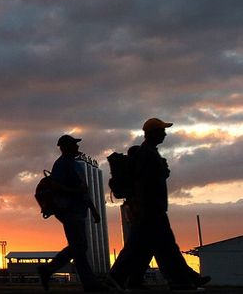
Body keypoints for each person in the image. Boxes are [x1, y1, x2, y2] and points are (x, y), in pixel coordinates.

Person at [106, 118, 210, 291]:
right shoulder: (147, 154)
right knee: (158, 246)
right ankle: (181, 281)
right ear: (152, 133)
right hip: (151, 209)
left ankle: (182, 280)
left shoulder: (148, 153)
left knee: (153, 246)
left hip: (150, 208)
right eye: (162, 131)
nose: (165, 134)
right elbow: (146, 183)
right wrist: (145, 206)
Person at [37, 135, 106, 292]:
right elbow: (57, 187)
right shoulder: (61, 165)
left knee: (78, 247)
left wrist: (93, 209)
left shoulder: (75, 165)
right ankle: (90, 284)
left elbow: (84, 191)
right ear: (64, 147)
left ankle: (48, 269)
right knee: (79, 247)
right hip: (69, 211)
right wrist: (76, 192)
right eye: (73, 144)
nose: (77, 147)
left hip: (78, 210)